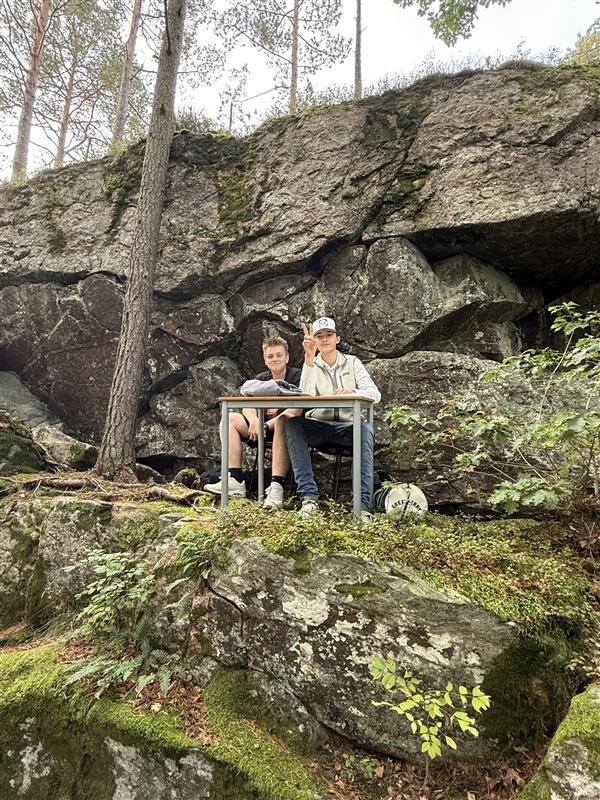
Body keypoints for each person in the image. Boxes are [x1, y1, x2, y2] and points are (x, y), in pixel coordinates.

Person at [284, 317, 380, 521]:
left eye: (329, 335)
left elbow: (375, 394)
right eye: (319, 336)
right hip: (319, 425)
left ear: (338, 339)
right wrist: (309, 358)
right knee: (292, 424)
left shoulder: (353, 362)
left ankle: (362, 506)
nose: (325, 339)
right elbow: (304, 396)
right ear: (315, 341)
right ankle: (309, 499)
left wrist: (352, 392)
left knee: (366, 430)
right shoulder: (311, 364)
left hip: (349, 426)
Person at [204, 336, 301, 508]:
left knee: (284, 421)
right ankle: (235, 479)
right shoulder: (260, 379)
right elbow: (247, 404)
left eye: (279, 355)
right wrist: (254, 420)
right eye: (270, 356)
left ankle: (276, 486)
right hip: (258, 430)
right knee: (230, 418)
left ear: (287, 357)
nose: (275, 359)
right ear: (265, 359)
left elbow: (296, 409)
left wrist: (266, 425)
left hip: (284, 429)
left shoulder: (297, 377)